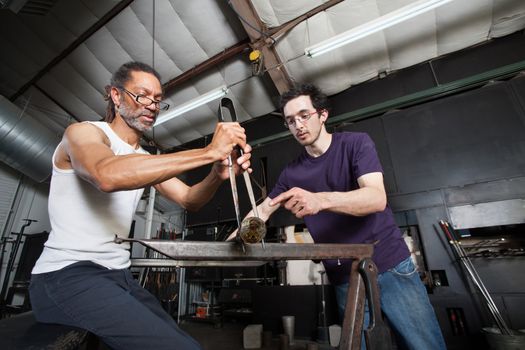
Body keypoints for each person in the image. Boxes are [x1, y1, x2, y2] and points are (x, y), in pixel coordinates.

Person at [29, 61, 251, 350]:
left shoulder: (143, 157)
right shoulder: (84, 133)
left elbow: (189, 199)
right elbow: (105, 174)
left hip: (118, 275)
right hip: (66, 275)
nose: (151, 105)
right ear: (116, 96)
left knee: (187, 342)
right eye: (142, 95)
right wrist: (209, 151)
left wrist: (217, 174)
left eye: (158, 100)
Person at [228, 83, 446, 350]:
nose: (298, 125)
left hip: (390, 265)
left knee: (424, 346)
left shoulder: (356, 144)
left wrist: (320, 200)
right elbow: (264, 210)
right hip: (344, 277)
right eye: (290, 121)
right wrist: (236, 238)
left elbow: (376, 198)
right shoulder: (291, 173)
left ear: (322, 114)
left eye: (304, 115)